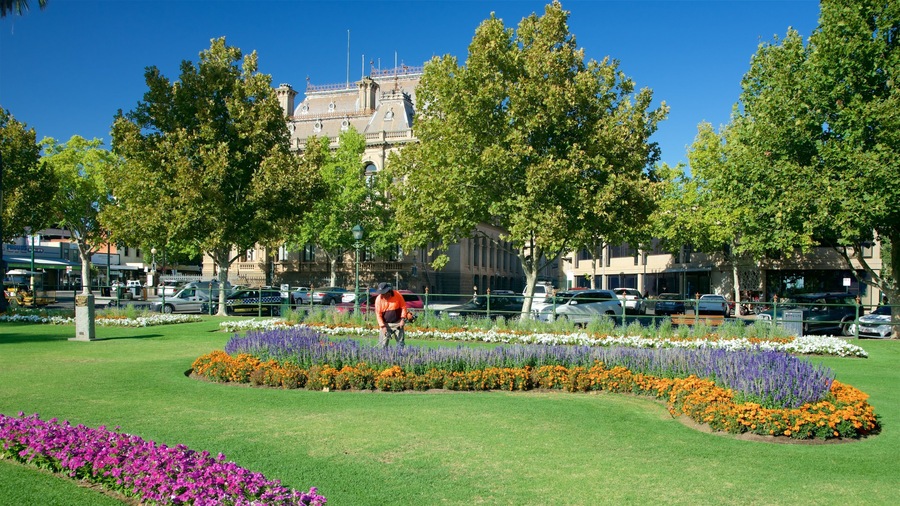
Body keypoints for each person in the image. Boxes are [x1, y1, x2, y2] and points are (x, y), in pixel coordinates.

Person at [374, 282, 411, 348]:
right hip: (385, 324)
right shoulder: (378, 299)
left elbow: (403, 307)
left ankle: (401, 354)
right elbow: (378, 315)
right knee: (382, 345)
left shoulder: (397, 295)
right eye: (381, 293)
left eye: (384, 293)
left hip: (398, 323)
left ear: (388, 291)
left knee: (400, 344)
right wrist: (383, 327)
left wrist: (402, 319)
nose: (382, 295)